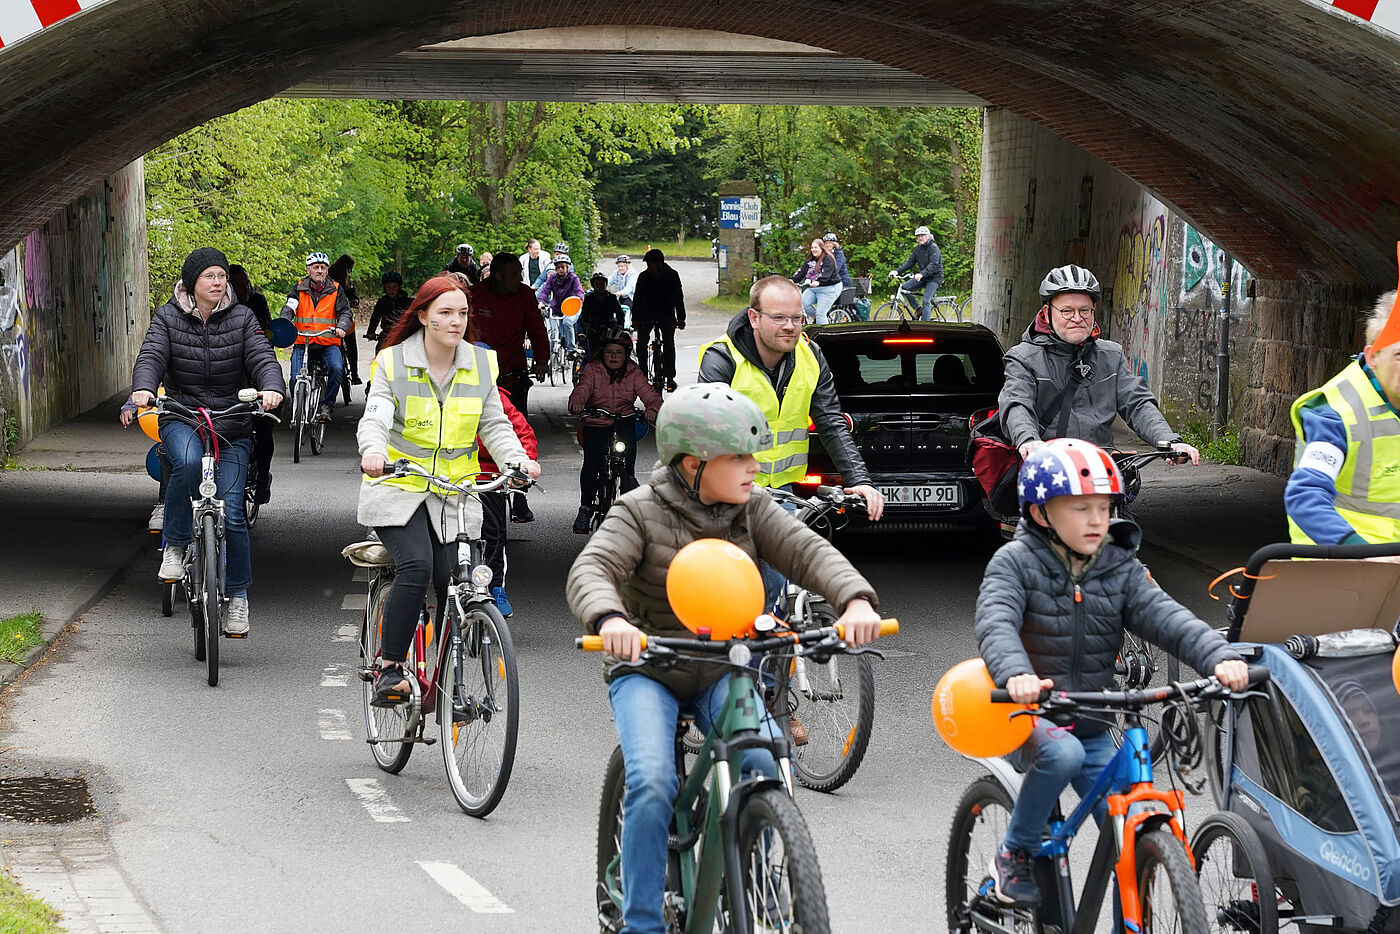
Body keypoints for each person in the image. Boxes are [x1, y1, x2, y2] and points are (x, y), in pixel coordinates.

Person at [564, 383, 883, 934]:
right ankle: (642, 922)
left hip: (724, 665)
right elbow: (591, 570)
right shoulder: (637, 511)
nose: (754, 468)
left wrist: (854, 599)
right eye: (739, 456)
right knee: (653, 781)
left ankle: (752, 879)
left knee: (761, 765)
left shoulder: (753, 509)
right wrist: (610, 621)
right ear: (693, 464)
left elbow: (808, 552)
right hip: (648, 666)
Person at [974, 437, 1248, 908]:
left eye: (1104, 507)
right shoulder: (1014, 564)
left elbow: (1166, 617)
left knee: (1134, 834)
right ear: (1041, 514)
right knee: (1061, 757)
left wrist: (1216, 657)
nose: (1098, 520)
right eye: (1081, 509)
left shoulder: (1119, 567)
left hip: (1095, 722)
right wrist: (1016, 673)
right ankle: (1015, 853)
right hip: (1031, 716)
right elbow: (995, 622)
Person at [357, 276, 541, 705]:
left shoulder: (480, 363)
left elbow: (494, 423)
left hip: (455, 493)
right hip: (398, 486)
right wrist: (372, 451)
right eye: (445, 312)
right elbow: (376, 418)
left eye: (463, 313)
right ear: (422, 316)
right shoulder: (393, 361)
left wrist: (517, 461)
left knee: (455, 583)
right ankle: (391, 668)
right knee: (417, 566)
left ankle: (447, 681)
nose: (456, 321)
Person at [699, 275, 886, 605]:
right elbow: (708, 432)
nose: (791, 326)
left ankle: (778, 648)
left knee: (783, 586)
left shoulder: (811, 356)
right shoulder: (722, 359)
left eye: (798, 318)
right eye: (779, 318)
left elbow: (831, 422)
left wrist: (860, 480)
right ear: (754, 318)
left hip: (782, 493)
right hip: (726, 493)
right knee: (729, 592)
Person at [131, 247, 286, 636]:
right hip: (182, 415)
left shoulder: (242, 317)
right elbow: (151, 355)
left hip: (231, 422)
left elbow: (263, 356)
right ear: (192, 282)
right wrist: (144, 389)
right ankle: (176, 544)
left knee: (233, 513)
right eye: (210, 277)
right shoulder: (168, 317)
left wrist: (270, 387)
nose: (218, 283)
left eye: (222, 276)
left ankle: (237, 599)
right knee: (184, 462)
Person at [999, 264, 1200, 465]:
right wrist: (1028, 440)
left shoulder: (1110, 355)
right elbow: (1017, 403)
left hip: (1100, 469)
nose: (1077, 318)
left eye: (1084, 310)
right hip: (1047, 468)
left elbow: (1137, 404)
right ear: (1047, 312)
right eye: (1067, 311)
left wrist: (1168, 440)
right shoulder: (1023, 358)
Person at [1286, 287, 1400, 545]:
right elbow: (1305, 497)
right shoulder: (1335, 414)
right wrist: (1362, 553)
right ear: (1372, 357)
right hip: (1340, 569)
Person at [567, 328, 663, 533]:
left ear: (626, 355)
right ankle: (585, 508)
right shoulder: (592, 370)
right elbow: (582, 389)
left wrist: (653, 408)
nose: (613, 356)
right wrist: (577, 402)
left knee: (628, 464)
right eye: (609, 351)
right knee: (592, 464)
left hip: (624, 420)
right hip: (596, 421)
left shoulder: (633, 371)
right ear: (602, 352)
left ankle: (629, 492)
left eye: (618, 352)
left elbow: (650, 394)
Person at [476, 377, 537, 619]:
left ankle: (497, 588)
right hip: (451, 474)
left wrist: (525, 464)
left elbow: (522, 432)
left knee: (494, 534)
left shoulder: (498, 398)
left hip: (490, 474)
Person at [279, 250, 352, 422]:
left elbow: (345, 313)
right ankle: (297, 409)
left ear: (327, 271)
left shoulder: (336, 289)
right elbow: (290, 308)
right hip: (303, 342)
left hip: (328, 342)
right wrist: (284, 321)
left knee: (336, 369)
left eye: (323, 267)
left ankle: (327, 405)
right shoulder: (298, 288)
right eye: (315, 267)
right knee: (294, 378)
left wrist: (341, 327)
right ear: (308, 270)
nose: (319, 270)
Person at [228, 264, 275, 505]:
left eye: (245, 284)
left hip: (255, 374)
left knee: (265, 425)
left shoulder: (257, 301)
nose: (243, 289)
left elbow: (267, 337)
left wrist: (271, 388)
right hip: (230, 377)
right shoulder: (221, 306)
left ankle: (263, 474)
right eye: (237, 286)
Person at [630, 248, 686, 391]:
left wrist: (681, 318)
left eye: (652, 264)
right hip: (646, 314)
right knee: (641, 344)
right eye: (648, 264)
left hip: (666, 313)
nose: (649, 267)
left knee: (668, 344)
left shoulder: (672, 276)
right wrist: (635, 319)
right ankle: (642, 374)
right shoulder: (643, 277)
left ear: (660, 263)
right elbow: (637, 299)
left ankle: (669, 377)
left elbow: (678, 298)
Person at [119, 394, 171, 531]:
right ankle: (164, 504)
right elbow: (151, 379)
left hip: (220, 418)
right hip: (181, 414)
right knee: (168, 449)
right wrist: (130, 407)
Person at [889, 224, 944, 320]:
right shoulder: (918, 249)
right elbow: (909, 262)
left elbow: (933, 265)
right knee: (905, 287)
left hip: (934, 278)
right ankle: (918, 309)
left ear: (928, 236)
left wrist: (922, 273)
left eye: (922, 236)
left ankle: (925, 326)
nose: (920, 238)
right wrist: (897, 271)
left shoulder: (934, 248)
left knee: (926, 300)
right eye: (918, 236)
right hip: (923, 277)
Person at [537, 254, 585, 359]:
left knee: (567, 322)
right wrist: (541, 302)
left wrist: (579, 299)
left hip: (571, 308)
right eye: (558, 267)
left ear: (568, 267)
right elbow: (545, 291)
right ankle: (547, 359)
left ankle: (571, 350)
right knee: (553, 334)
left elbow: (579, 292)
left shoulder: (573, 278)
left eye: (563, 267)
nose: (560, 269)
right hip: (556, 309)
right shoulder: (552, 278)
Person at [328, 254, 362, 390]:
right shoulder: (332, 279)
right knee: (351, 343)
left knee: (350, 340)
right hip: (333, 316)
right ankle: (354, 373)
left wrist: (355, 300)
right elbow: (352, 294)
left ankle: (354, 373)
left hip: (337, 315)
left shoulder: (341, 279)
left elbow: (353, 294)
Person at [790, 237, 841, 325]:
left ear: (821, 248)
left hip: (829, 288)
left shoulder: (828, 258)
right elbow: (802, 271)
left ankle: (824, 335)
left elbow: (827, 275)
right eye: (812, 248)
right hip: (814, 288)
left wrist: (818, 282)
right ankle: (818, 320)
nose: (813, 249)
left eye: (816, 247)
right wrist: (792, 280)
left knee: (821, 313)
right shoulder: (810, 260)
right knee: (804, 303)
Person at [579, 272, 625, 359]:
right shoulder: (589, 298)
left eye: (602, 284)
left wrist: (620, 325)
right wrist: (586, 323)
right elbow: (584, 313)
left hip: (609, 329)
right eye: (597, 284)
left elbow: (619, 313)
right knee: (592, 355)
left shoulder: (611, 297)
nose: (599, 286)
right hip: (593, 329)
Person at [365, 271, 410, 353]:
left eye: (394, 287)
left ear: (399, 287)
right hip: (387, 335)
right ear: (384, 288)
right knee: (380, 354)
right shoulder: (382, 302)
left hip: (404, 335)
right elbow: (375, 318)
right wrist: (370, 332)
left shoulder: (407, 302)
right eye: (388, 287)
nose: (391, 290)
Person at [607, 253, 638, 324]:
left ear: (627, 266)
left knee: (625, 309)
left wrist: (621, 293)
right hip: (618, 297)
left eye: (622, 266)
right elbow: (608, 282)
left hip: (630, 298)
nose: (620, 268)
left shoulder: (633, 274)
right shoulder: (616, 273)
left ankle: (626, 325)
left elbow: (629, 287)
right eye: (619, 266)